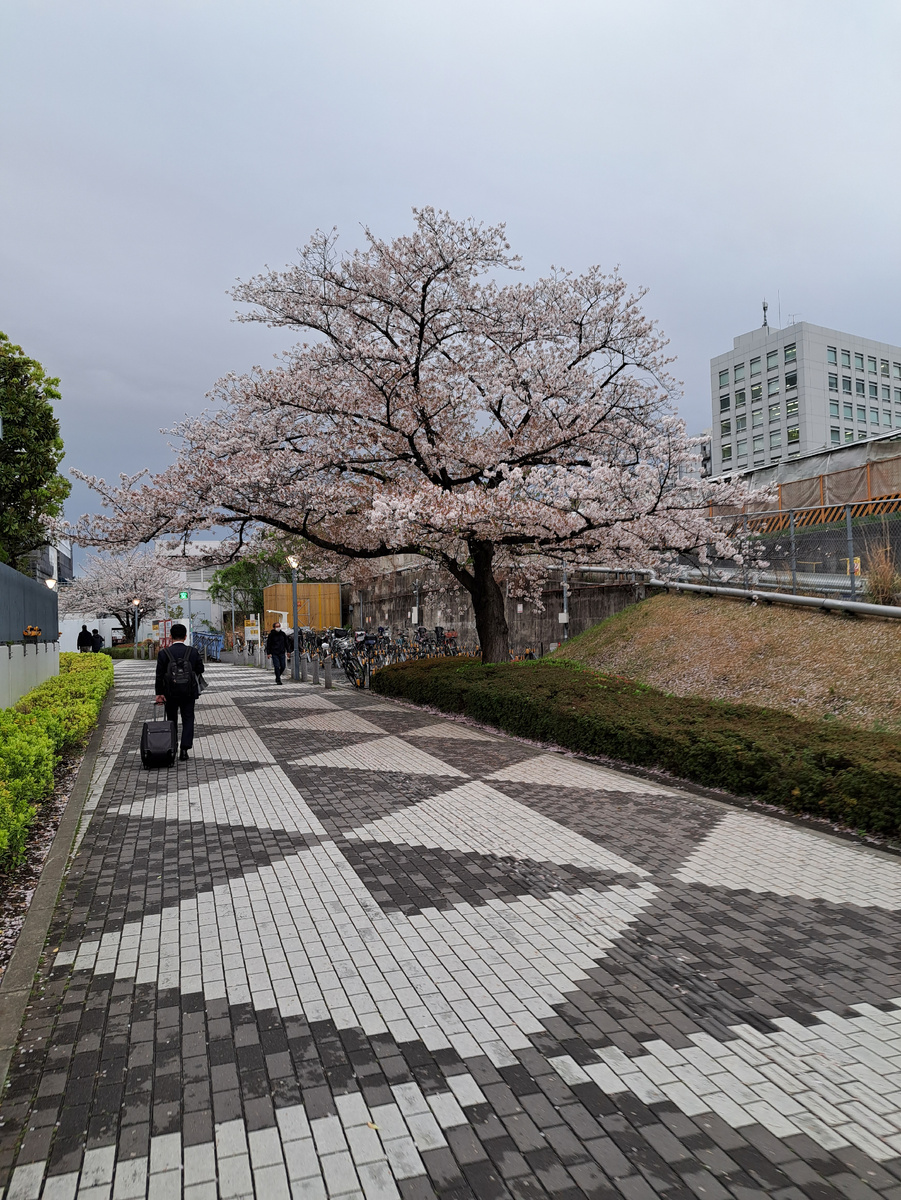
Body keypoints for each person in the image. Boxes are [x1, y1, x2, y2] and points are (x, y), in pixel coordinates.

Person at [155, 623, 205, 762]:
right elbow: (200, 669)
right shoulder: (193, 652)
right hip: (188, 692)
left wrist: (159, 693)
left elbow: (159, 675)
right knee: (188, 718)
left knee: (171, 719)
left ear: (170, 637)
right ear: (185, 636)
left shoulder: (163, 653)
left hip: (170, 692)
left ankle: (172, 747)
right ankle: (184, 749)